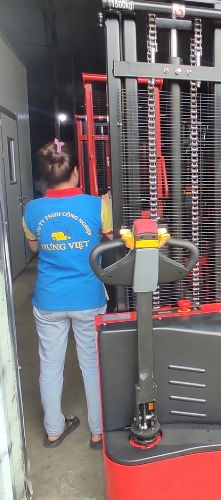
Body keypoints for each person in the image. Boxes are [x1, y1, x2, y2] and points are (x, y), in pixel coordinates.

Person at [22, 139, 113, 449]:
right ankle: (98, 432)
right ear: (75, 172)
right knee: (92, 365)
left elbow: (35, 247)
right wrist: (106, 208)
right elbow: (111, 239)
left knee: (50, 366)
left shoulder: (32, 210)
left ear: (45, 177)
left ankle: (54, 430)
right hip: (87, 298)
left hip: (49, 300)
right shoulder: (97, 206)